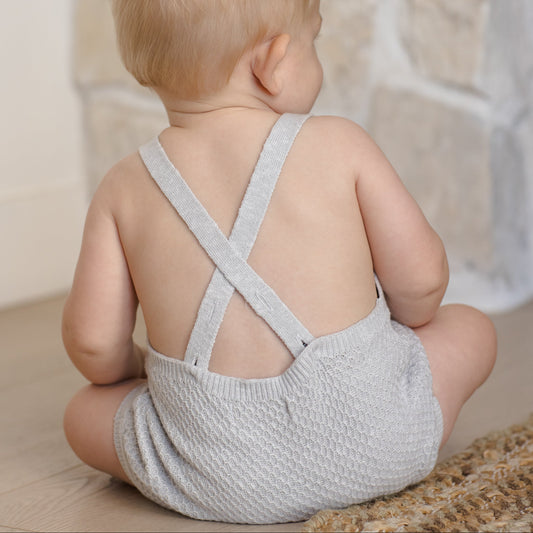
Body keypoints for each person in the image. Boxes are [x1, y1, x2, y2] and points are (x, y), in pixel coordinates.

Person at [62, 0, 497, 524]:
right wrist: (388, 335)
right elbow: (423, 287)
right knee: (470, 328)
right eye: (314, 41)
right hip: (381, 442)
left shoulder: (123, 187)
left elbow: (94, 346)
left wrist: (138, 373)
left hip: (214, 474)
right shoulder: (340, 143)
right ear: (272, 63)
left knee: (82, 413)